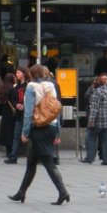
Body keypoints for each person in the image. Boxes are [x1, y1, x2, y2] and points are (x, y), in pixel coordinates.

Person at [9, 63, 70, 205]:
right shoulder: (51, 86)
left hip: (39, 127)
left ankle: (63, 192)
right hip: (52, 126)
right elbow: (56, 109)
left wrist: (25, 132)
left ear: (31, 74)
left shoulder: (31, 87)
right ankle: (21, 192)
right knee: (31, 161)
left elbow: (28, 112)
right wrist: (58, 132)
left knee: (48, 161)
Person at [80, 73, 107, 165]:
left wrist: (91, 120)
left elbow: (94, 108)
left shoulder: (97, 92)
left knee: (90, 137)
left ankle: (89, 158)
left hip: (99, 119)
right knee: (106, 139)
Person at [5, 66, 29, 164]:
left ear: (24, 73)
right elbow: (12, 99)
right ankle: (13, 156)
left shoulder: (29, 85)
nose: (17, 74)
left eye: (19, 72)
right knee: (16, 135)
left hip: (27, 114)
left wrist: (24, 105)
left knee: (30, 136)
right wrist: (16, 105)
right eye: (17, 73)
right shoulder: (16, 86)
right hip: (19, 114)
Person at [0, 73, 17, 160]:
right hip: (12, 113)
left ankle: (7, 150)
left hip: (5, 113)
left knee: (6, 130)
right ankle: (11, 150)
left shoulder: (2, 88)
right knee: (11, 131)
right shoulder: (13, 89)